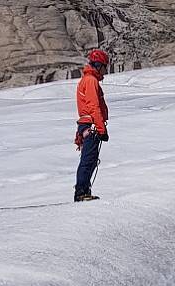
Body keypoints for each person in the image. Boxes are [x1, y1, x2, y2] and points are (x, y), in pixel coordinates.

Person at [74, 49, 110, 202]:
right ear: (98, 65)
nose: (106, 71)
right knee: (88, 159)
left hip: (89, 124)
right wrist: (101, 129)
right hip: (91, 125)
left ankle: (84, 191)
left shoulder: (89, 80)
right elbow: (93, 106)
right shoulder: (91, 81)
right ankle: (81, 193)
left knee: (90, 159)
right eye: (104, 67)